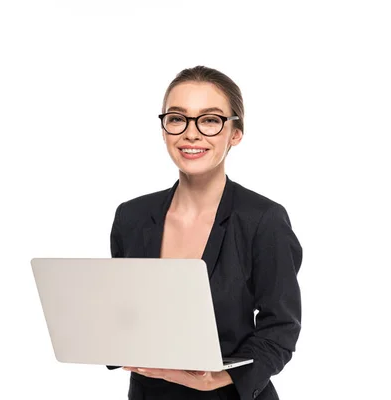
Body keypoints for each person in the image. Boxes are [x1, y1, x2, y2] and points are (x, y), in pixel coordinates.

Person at [107, 66, 303, 400]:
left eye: (210, 120)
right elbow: (125, 313)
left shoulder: (263, 220)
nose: (191, 133)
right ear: (164, 129)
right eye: (177, 118)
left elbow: (281, 327)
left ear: (235, 133)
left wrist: (217, 378)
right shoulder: (132, 216)